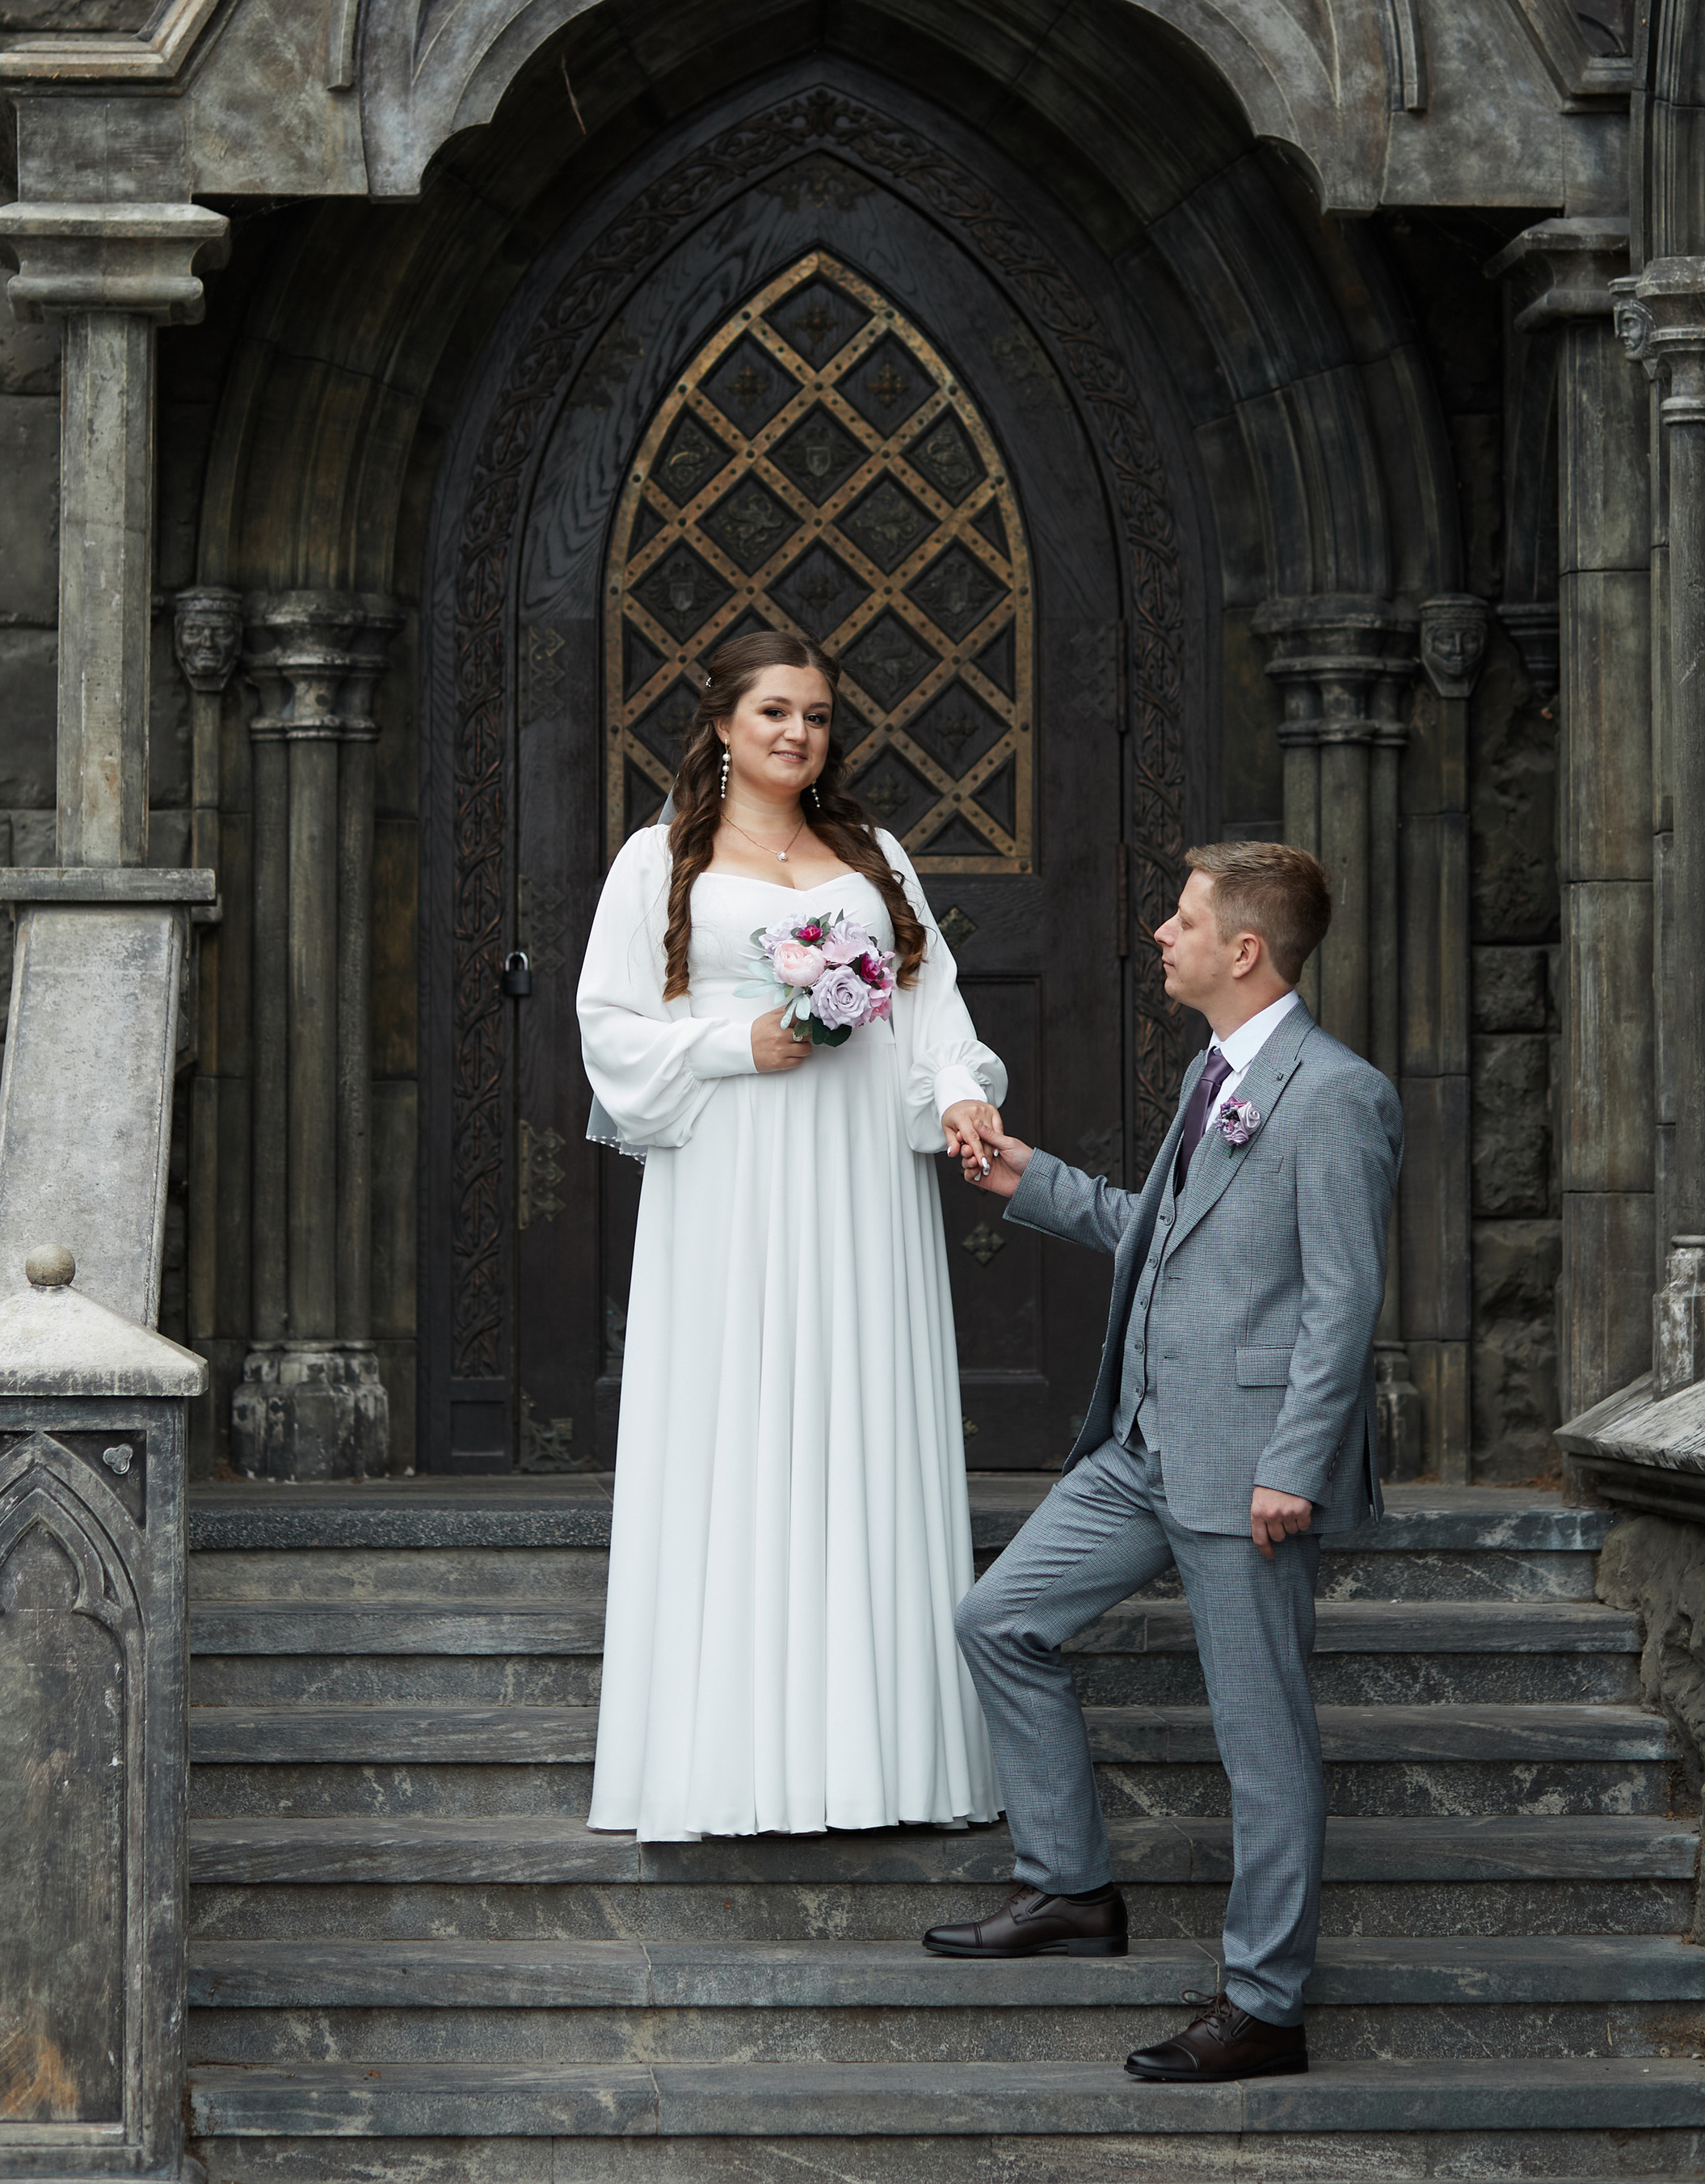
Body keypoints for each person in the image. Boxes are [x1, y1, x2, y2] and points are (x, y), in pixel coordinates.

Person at [924, 841, 1401, 2085]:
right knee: (999, 1619)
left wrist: (1293, 1464)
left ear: (1244, 950)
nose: (1160, 933)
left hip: (1248, 1471)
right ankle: (1071, 1886)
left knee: (1264, 1742)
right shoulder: (1216, 1068)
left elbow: (1343, 1302)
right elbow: (1170, 1236)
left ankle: (1265, 2003)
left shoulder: (1337, 1093)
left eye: (1183, 919)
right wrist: (1039, 1183)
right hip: (1139, 1445)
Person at [578, 626, 1006, 1842]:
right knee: (737, 1427)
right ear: (721, 722)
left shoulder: (873, 859)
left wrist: (964, 1095)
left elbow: (933, 1009)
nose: (796, 735)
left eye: (815, 716)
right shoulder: (656, 860)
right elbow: (607, 1027)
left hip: (860, 1176)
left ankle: (885, 1765)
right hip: (731, 1174)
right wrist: (735, 1043)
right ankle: (724, 1764)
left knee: (859, 1420)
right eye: (773, 712)